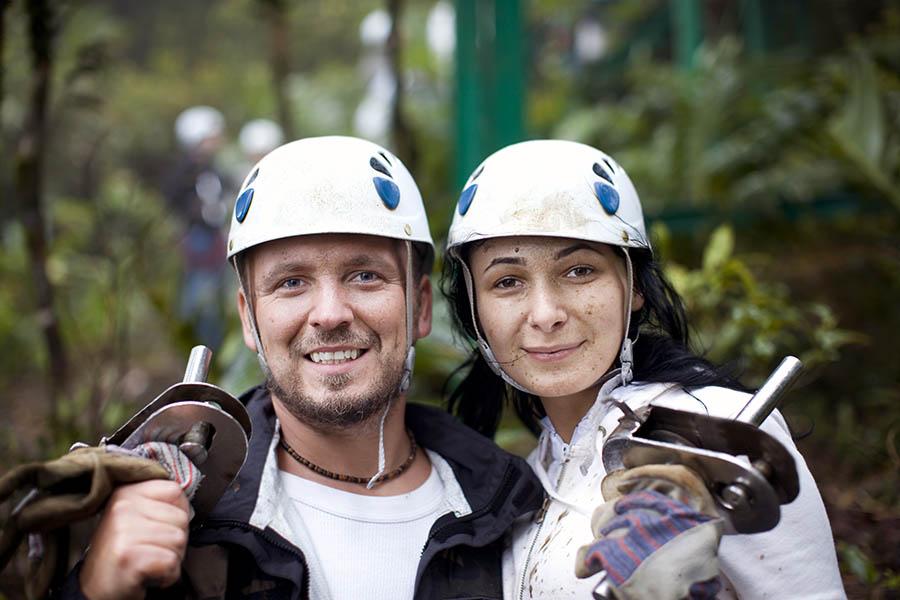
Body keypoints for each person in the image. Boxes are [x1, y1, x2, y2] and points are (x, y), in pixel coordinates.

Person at [61, 136, 544, 599]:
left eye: (364, 276)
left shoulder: (515, 510)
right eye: (291, 282)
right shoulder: (180, 519)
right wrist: (95, 588)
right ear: (249, 317)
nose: (330, 313)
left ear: (419, 308)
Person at [441, 140, 846, 599]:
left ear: (634, 287)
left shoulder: (720, 436)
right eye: (508, 281)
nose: (545, 313)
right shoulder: (524, 484)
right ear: (475, 310)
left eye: (579, 271)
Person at [164, 106, 233, 348]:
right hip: (200, 238)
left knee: (215, 295)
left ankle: (211, 348)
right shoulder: (187, 170)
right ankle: (198, 348)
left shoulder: (212, 168)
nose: (217, 141)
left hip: (214, 237)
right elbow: (173, 198)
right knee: (199, 298)